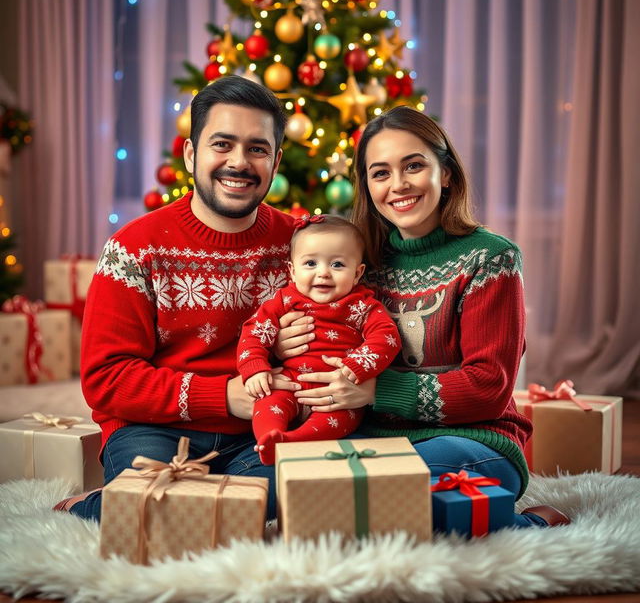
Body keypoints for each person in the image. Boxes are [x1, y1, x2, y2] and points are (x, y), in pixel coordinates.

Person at [277, 106, 570, 528]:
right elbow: (328, 334)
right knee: (291, 485)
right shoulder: (359, 264)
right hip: (370, 437)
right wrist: (289, 340)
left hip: (470, 440)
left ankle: (533, 526)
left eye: (413, 166)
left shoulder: (490, 258)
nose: (398, 185)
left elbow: (488, 386)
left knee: (391, 497)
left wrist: (377, 392)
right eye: (380, 173)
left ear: (446, 172)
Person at [54, 75, 300, 521]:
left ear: (276, 161)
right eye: (222, 144)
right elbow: (106, 379)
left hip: (261, 431)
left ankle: (114, 507)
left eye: (257, 149)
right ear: (191, 154)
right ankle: (113, 506)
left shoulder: (303, 248)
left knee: (293, 497)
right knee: (166, 507)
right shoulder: (134, 248)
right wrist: (224, 395)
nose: (239, 162)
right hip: (154, 430)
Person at [237, 214, 401, 465]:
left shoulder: (361, 305)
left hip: (337, 392)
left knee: (339, 419)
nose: (323, 273)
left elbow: (386, 337)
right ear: (292, 271)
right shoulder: (283, 301)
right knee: (266, 403)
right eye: (311, 263)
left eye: (337, 265)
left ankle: (295, 441)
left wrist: (357, 366)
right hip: (288, 383)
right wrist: (255, 368)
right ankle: (269, 438)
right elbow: (255, 331)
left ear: (357, 273)